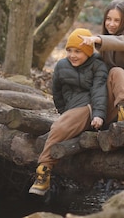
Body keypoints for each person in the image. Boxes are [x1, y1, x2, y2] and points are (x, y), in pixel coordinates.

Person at [29, 28, 108, 196]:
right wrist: (64, 112)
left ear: (87, 51)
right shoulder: (62, 66)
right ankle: (44, 171)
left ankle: (43, 170)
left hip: (91, 107)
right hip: (72, 109)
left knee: (58, 128)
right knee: (61, 124)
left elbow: (99, 89)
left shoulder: (98, 64)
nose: (73, 55)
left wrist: (99, 114)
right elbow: (56, 93)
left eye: (78, 51)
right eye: (70, 51)